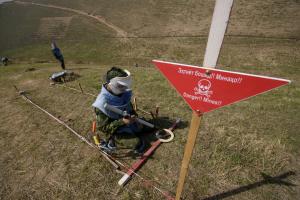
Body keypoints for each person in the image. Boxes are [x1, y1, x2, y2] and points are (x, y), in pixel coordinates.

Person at [92, 67, 147, 154]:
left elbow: (129, 108)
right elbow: (103, 128)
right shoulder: (101, 104)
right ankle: (113, 142)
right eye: (121, 86)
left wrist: (134, 117)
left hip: (128, 121)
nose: (124, 88)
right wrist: (122, 122)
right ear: (111, 84)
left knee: (145, 126)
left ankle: (133, 130)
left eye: (125, 86)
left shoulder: (122, 92)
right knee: (137, 143)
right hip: (115, 130)